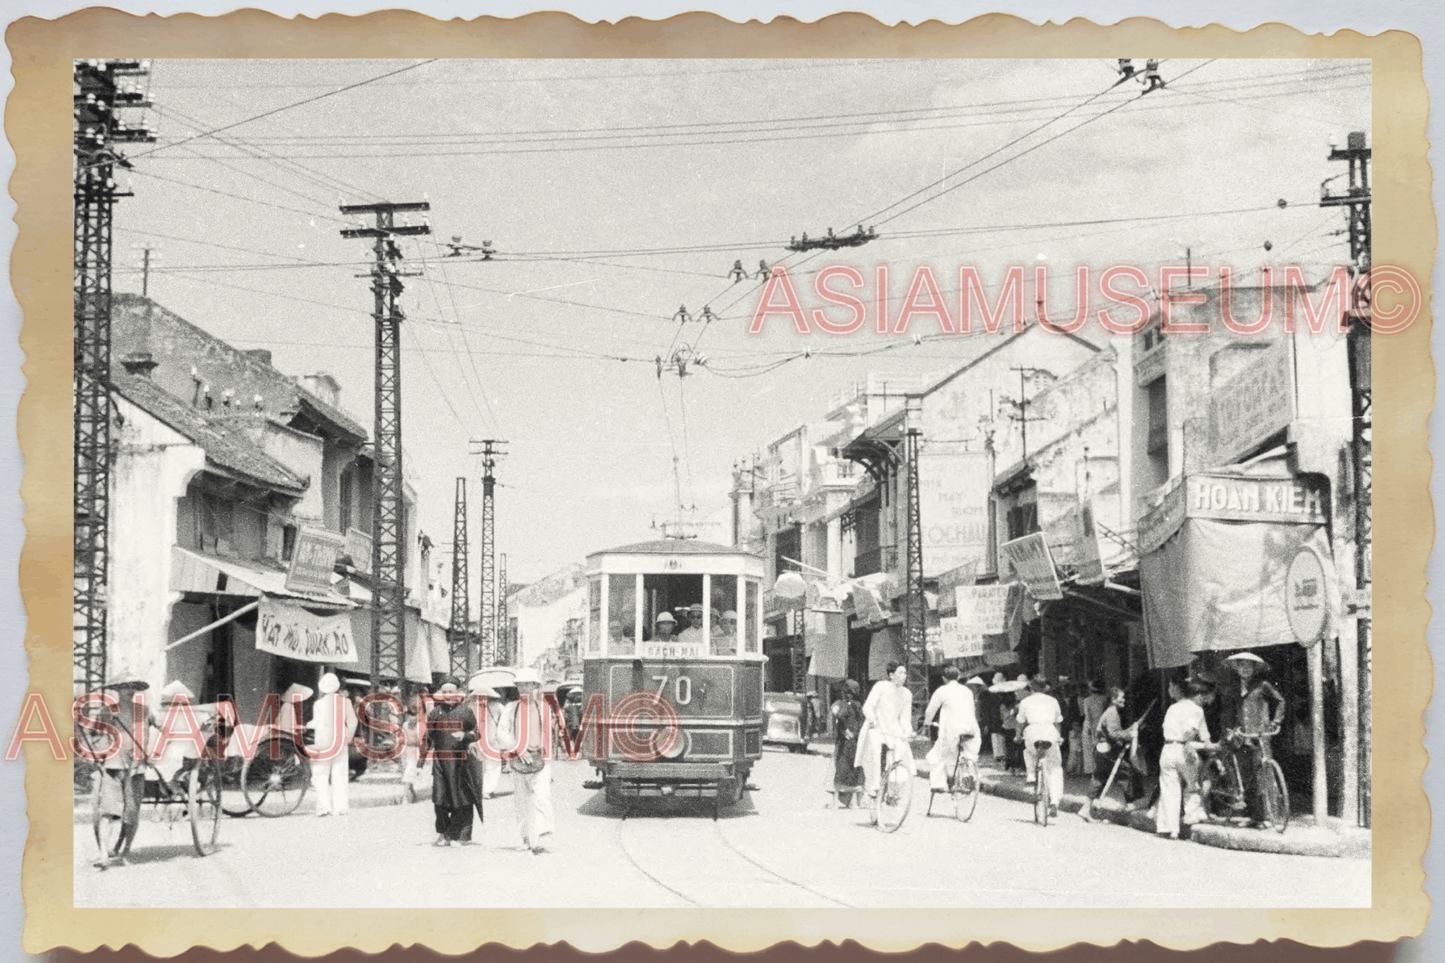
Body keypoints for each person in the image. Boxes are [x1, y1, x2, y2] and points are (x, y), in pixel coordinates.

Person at [86, 677, 156, 864]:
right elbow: (92, 734)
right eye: (124, 687)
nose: (128, 691)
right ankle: (103, 854)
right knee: (109, 811)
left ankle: (125, 851)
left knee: (131, 813)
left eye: (131, 687)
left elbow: (165, 729)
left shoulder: (145, 711)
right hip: (112, 766)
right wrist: (98, 753)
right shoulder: (106, 712)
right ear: (117, 690)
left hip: (136, 768)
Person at [1221, 652, 1287, 828]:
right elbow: (1229, 711)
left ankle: (1270, 816)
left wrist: (1275, 721)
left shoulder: (1262, 685)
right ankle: (1255, 816)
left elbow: (1280, 701)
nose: (1245, 669)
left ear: (1254, 669)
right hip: (1242, 737)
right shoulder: (1234, 688)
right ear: (1237, 669)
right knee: (1248, 778)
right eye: (1241, 665)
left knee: (1264, 776)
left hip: (1259, 735)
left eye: (1248, 666)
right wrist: (1231, 729)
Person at [1156, 679, 1217, 839]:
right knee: (1192, 785)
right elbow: (1192, 732)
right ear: (1196, 695)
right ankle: (1190, 816)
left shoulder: (1172, 708)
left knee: (1169, 789)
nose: (1204, 700)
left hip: (1167, 749)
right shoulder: (1196, 709)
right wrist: (1191, 744)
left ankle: (1169, 828)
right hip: (1184, 749)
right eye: (1202, 696)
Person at [506, 668, 556, 854]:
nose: (523, 688)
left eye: (527, 685)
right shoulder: (511, 708)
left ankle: (540, 836)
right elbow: (503, 734)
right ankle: (526, 839)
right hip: (518, 761)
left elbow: (547, 737)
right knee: (521, 802)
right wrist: (518, 749)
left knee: (541, 797)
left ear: (536, 687)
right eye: (520, 685)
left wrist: (548, 764)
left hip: (540, 760)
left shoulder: (544, 707)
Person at [424, 677, 478, 846]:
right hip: (440, 762)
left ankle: (458, 835)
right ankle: (442, 834)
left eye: (451, 692)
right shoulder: (435, 713)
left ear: (457, 693)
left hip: (460, 763)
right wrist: (420, 763)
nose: (447, 695)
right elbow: (427, 738)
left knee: (459, 799)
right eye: (444, 692)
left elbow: (477, 734)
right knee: (439, 800)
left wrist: (466, 736)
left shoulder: (466, 712)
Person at [854, 662, 916, 808]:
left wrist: (908, 731)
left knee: (901, 755)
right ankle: (872, 789)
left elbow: (905, 719)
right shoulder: (881, 686)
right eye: (900, 672)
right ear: (891, 675)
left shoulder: (907, 694)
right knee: (874, 753)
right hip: (877, 726)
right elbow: (868, 707)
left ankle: (894, 792)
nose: (903, 676)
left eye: (905, 673)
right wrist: (872, 719)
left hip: (893, 729)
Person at [1086, 687, 1146, 815]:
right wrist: (1130, 734)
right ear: (1113, 699)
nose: (1124, 700)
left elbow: (1114, 732)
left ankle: (1085, 809)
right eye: (1121, 697)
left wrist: (1131, 729)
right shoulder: (1112, 712)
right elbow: (1114, 734)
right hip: (1108, 751)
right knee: (1128, 772)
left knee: (1099, 778)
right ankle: (1133, 803)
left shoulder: (1110, 711)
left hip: (1101, 750)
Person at [924, 665, 981, 793]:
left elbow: (931, 710)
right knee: (969, 755)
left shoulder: (941, 691)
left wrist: (927, 722)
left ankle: (938, 784)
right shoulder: (967, 691)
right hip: (971, 728)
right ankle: (968, 782)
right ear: (959, 676)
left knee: (939, 754)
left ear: (944, 678)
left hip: (952, 729)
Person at [308, 672, 358, 817]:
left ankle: (323, 807)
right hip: (339, 741)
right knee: (340, 774)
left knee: (320, 774)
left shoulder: (318, 704)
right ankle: (340, 807)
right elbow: (353, 722)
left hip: (323, 742)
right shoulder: (345, 702)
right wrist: (348, 737)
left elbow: (317, 724)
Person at [1016, 674, 1064, 818]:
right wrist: (1059, 736)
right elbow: (1057, 722)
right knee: (1055, 767)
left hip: (1032, 732)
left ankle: (1031, 774)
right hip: (1050, 732)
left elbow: (1019, 722)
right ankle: (1055, 801)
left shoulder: (1025, 701)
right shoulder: (1053, 701)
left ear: (1032, 686)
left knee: (1028, 751)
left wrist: (1018, 736)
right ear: (1045, 688)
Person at [829, 679, 866, 807]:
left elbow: (838, 715)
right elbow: (862, 723)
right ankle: (855, 802)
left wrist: (845, 731)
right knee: (855, 770)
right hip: (856, 742)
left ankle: (837, 801)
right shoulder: (859, 705)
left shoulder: (843, 704)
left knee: (841, 769)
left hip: (845, 743)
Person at [1079, 681, 1108, 777]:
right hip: (1101, 724)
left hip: (1089, 724)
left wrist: (1090, 728)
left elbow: (1088, 715)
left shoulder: (1087, 700)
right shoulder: (1104, 699)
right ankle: (1102, 770)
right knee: (1101, 748)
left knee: (1088, 749)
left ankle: (1090, 771)